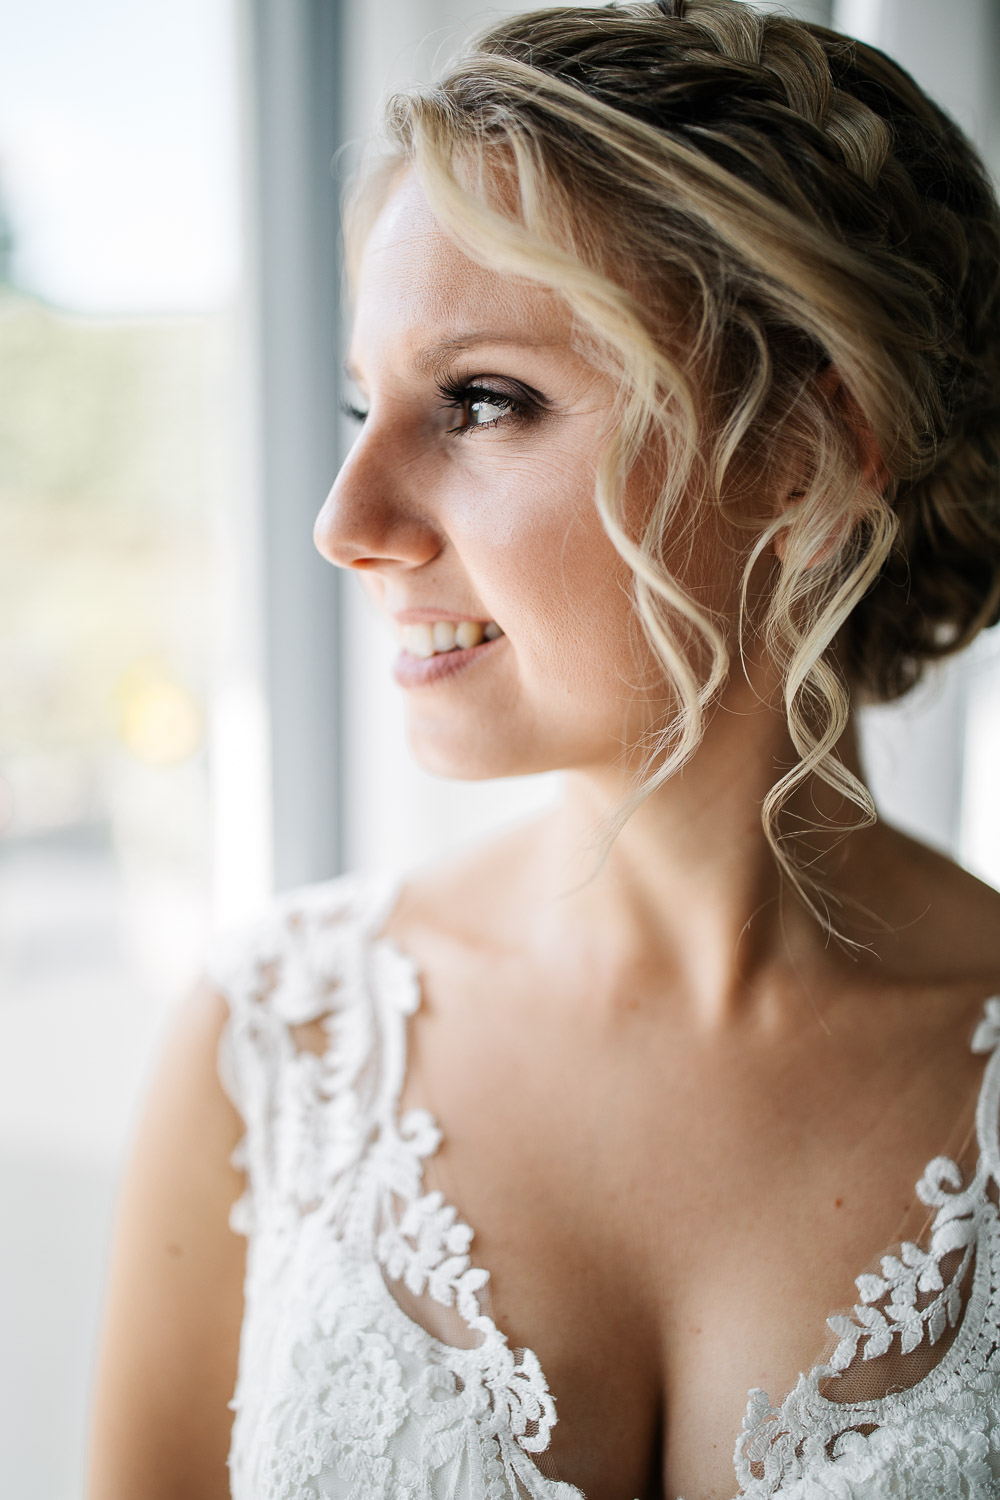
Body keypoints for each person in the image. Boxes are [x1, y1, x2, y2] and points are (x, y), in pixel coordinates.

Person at [86, 2, 1000, 1497]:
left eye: (480, 401)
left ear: (806, 452)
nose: (345, 521)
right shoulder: (275, 1047)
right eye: (361, 406)